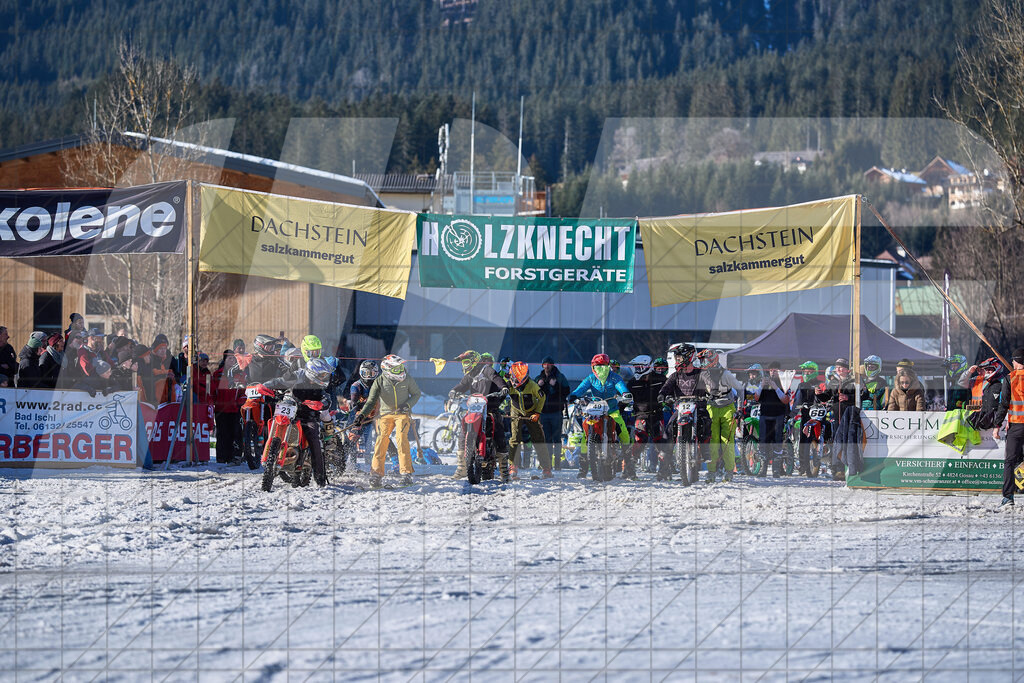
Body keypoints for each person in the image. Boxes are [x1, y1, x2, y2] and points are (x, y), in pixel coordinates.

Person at [264, 357, 335, 487]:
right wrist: (264, 386)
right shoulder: (296, 376)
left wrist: (321, 404)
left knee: (315, 439)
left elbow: (327, 399)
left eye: (326, 375)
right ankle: (269, 454)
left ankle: (320, 479)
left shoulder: (320, 387)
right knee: (272, 423)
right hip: (289, 409)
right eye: (322, 375)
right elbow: (279, 381)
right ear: (313, 373)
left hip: (307, 416)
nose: (325, 378)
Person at [355, 354, 421, 488]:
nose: (400, 371)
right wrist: (361, 416)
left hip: (402, 414)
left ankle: (406, 474)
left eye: (401, 367)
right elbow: (371, 401)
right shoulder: (379, 381)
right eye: (396, 369)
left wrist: (407, 405)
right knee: (381, 440)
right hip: (385, 415)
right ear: (387, 369)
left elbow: (416, 394)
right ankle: (376, 475)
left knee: (401, 438)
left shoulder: (407, 378)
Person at [449, 350, 510, 479]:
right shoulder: (469, 375)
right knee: (462, 432)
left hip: (490, 408)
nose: (464, 365)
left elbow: (496, 377)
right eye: (463, 363)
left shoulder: (486, 369)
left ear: (475, 361)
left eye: (466, 362)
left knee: (498, 429)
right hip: (474, 410)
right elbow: (462, 385)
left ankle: (504, 470)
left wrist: (503, 387)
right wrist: (454, 390)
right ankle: (461, 468)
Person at [570, 353, 631, 479]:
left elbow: (621, 386)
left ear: (608, 366)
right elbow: (581, 389)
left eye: (603, 366)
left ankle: (629, 466)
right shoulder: (591, 378)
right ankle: (583, 468)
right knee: (584, 437)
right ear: (593, 367)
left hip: (612, 410)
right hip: (595, 410)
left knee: (624, 433)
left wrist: (625, 393)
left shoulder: (615, 378)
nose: (600, 369)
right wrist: (574, 395)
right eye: (598, 366)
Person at [658, 343, 710, 483]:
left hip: (698, 407)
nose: (677, 360)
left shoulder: (701, 372)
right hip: (681, 408)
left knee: (706, 422)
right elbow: (666, 387)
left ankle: (705, 451)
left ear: (689, 357)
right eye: (677, 357)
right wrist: (662, 395)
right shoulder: (676, 375)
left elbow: (710, 383)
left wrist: (712, 392)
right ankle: (665, 457)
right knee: (669, 426)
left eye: (680, 357)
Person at [693, 349, 745, 483]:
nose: (703, 363)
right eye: (702, 360)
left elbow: (740, 389)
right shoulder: (703, 374)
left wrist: (739, 408)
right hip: (711, 408)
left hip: (728, 407)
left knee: (727, 441)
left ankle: (729, 471)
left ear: (713, 360)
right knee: (712, 442)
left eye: (705, 360)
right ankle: (711, 472)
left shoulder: (726, 374)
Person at [506, 361, 552, 479]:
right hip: (516, 411)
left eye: (519, 380)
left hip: (531, 412)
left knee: (538, 439)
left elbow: (542, 397)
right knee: (515, 438)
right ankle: (513, 466)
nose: (516, 383)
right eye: (515, 379)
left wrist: (537, 412)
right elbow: (500, 392)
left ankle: (546, 468)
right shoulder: (508, 385)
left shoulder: (533, 386)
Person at [625, 354, 667, 478]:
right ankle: (629, 469)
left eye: (639, 367)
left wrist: (669, 399)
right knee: (639, 441)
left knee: (660, 443)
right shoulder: (632, 383)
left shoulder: (661, 379)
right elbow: (626, 397)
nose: (637, 370)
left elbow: (669, 390)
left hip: (657, 415)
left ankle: (664, 470)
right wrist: (623, 404)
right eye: (635, 367)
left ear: (647, 367)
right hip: (640, 415)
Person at [994, 348, 1024, 506]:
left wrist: (997, 425)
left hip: (1016, 426)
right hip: (1016, 425)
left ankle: (1008, 497)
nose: (1011, 362)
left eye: (1013, 360)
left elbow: (1003, 404)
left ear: (1017, 361)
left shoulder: (1009, 378)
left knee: (1009, 462)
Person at [753, 360, 790, 477]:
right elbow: (756, 398)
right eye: (771, 370)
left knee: (777, 442)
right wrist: (761, 385)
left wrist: (775, 387)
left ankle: (776, 470)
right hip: (764, 415)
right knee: (763, 442)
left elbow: (785, 400)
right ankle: (763, 470)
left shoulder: (784, 382)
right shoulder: (763, 382)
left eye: (775, 370)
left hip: (778, 415)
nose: (772, 372)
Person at [534, 356, 570, 469]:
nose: (547, 366)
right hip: (543, 412)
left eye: (549, 364)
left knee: (556, 439)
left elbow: (567, 391)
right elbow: (533, 393)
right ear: (542, 365)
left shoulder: (560, 377)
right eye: (545, 364)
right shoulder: (539, 378)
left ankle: (557, 464)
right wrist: (538, 386)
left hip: (556, 412)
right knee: (546, 439)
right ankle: (547, 463)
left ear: (553, 365)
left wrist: (557, 385)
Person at [212, 350, 246, 464]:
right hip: (220, 409)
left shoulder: (240, 374)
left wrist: (240, 403)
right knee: (222, 434)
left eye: (233, 359)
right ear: (224, 360)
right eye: (229, 359)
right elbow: (212, 391)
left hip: (235, 409)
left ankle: (234, 456)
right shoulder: (217, 374)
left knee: (235, 433)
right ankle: (221, 457)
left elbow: (243, 392)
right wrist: (213, 403)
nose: (231, 361)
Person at [348, 360, 380, 467]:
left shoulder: (378, 385)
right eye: (366, 373)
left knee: (373, 439)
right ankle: (351, 463)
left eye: (372, 373)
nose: (369, 376)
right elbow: (354, 404)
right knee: (353, 438)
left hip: (374, 417)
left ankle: (370, 464)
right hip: (358, 416)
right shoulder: (356, 385)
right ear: (361, 373)